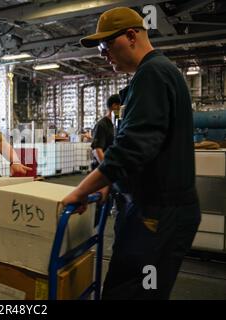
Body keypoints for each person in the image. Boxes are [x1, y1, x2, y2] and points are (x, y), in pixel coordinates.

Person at [63, 7, 200, 299]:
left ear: (131, 36)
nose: (104, 54)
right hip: (150, 209)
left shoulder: (153, 73)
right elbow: (144, 148)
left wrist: (80, 190)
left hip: (157, 214)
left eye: (107, 45)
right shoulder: (154, 73)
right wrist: (108, 184)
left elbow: (133, 148)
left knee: (132, 292)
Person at [91, 94, 121, 170]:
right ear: (115, 106)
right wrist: (107, 169)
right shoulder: (102, 125)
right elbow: (97, 150)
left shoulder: (116, 124)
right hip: (102, 169)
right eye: (121, 106)